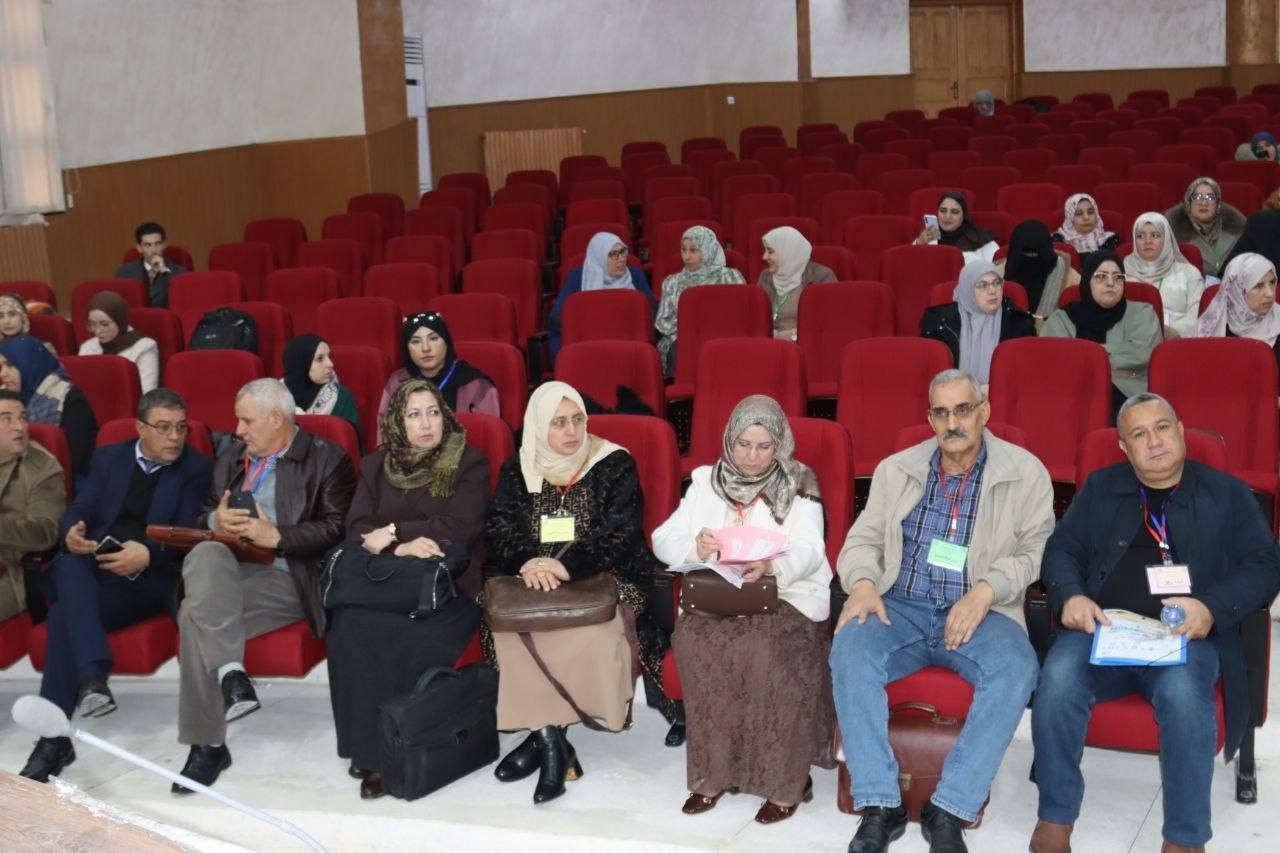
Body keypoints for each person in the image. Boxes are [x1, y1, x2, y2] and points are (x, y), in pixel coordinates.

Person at [1029, 393, 1280, 853]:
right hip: (1105, 629)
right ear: (1124, 448)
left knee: (1183, 695)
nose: (1155, 441)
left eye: (1162, 428)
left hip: (1184, 637)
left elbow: (1265, 565)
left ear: (1181, 431)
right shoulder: (1102, 488)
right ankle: (1055, 816)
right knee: (1059, 677)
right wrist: (1072, 596)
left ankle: (1184, 838)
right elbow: (1062, 549)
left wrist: (1212, 607)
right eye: (1139, 435)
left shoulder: (1227, 494)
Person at [830, 369, 1052, 853]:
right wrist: (863, 583)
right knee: (849, 648)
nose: (953, 423)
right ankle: (880, 802)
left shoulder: (1025, 472)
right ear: (929, 419)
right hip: (901, 605)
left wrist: (986, 590)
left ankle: (950, 807)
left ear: (984, 412)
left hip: (982, 610)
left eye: (963, 410)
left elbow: (1036, 551)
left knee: (1017, 667)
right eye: (942, 413)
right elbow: (862, 539)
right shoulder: (897, 469)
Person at [485, 381, 672, 803]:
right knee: (514, 628)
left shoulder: (613, 462)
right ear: (538, 426)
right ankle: (552, 741)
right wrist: (529, 562)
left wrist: (567, 566)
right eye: (558, 423)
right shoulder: (518, 468)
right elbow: (498, 528)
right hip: (532, 581)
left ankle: (543, 740)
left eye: (577, 420)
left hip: (605, 579)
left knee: (587, 632)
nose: (571, 431)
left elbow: (621, 531)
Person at [653, 395, 834, 824]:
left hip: (784, 595)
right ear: (729, 440)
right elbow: (662, 538)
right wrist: (694, 547)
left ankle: (786, 782)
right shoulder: (705, 482)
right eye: (743, 445)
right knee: (694, 641)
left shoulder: (798, 483)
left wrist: (774, 565)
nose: (752, 456)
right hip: (719, 596)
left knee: (764, 649)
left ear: (779, 445)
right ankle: (713, 775)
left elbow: (811, 548)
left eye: (764, 447)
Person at [18, 389, 211, 783]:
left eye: (181, 427)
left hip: (147, 580)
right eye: (164, 428)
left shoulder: (195, 467)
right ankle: (90, 680)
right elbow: (82, 506)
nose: (175, 437)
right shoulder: (109, 457)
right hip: (96, 569)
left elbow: (187, 531)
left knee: (63, 615)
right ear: (140, 428)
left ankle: (56, 737)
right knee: (70, 562)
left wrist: (148, 553)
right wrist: (72, 531)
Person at [172, 378, 355, 793]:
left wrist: (278, 536)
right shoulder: (231, 458)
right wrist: (217, 521)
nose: (238, 430)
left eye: (246, 421)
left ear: (276, 418)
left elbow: (339, 528)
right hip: (227, 570)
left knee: (192, 614)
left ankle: (207, 745)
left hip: (291, 575)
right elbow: (202, 515)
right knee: (205, 552)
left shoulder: (328, 458)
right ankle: (231, 673)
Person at [328, 379, 488, 799]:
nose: (426, 424)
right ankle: (364, 747)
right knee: (349, 625)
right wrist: (400, 547)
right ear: (398, 423)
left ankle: (391, 752)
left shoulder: (468, 462)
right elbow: (357, 529)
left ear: (445, 416)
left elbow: (460, 527)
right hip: (388, 581)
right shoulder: (375, 467)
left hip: (448, 587)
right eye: (414, 415)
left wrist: (397, 531)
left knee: (401, 635)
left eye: (433, 412)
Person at [1041, 251, 1162, 417]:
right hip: (1072, 398)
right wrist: (1119, 351)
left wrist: (1090, 352)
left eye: (1118, 277)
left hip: (1131, 399)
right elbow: (1055, 361)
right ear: (1087, 281)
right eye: (1101, 276)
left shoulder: (1143, 313)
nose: (1111, 283)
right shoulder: (1061, 319)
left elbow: (1144, 353)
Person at [376, 312, 499, 446]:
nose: (426, 348)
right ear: (407, 348)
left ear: (446, 342)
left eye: (433, 338)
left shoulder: (475, 385)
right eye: (416, 341)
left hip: (462, 457)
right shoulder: (397, 382)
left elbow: (488, 440)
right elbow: (385, 439)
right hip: (407, 458)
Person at [921, 260, 1035, 393]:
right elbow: (929, 374)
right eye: (982, 285)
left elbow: (1027, 374)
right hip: (951, 398)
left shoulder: (1019, 322)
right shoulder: (940, 323)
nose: (992, 290)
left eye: (996, 283)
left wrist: (993, 390)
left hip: (1003, 396)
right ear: (967, 290)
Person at [0, 389, 64, 623]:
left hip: (10, 571)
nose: (19, 427)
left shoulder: (43, 467)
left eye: (23, 418)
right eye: (6, 419)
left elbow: (45, 532)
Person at [0, 334, 98, 479]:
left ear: (29, 362)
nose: (3, 374)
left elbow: (75, 460)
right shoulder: (7, 398)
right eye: (1, 367)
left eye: (10, 365)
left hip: (58, 480)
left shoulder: (69, 398)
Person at [549, 231, 654, 362]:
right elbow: (557, 318)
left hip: (627, 346)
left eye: (623, 252)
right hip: (588, 346)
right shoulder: (578, 278)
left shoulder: (635, 276)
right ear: (599, 257)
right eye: (613, 254)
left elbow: (650, 315)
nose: (621, 258)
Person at [654, 225, 745, 376]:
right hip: (683, 339)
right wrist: (691, 333)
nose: (687, 256)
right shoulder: (672, 282)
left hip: (724, 337)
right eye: (683, 250)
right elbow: (663, 321)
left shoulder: (730, 277)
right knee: (680, 350)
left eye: (694, 250)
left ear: (708, 250)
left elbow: (741, 314)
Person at [1123, 212, 1205, 338]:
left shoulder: (1189, 273)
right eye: (1140, 236)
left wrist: (1176, 332)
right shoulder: (1121, 273)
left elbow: (1198, 314)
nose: (1147, 241)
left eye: (1155, 235)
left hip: (1177, 340)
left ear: (1166, 239)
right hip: (1132, 339)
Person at [1196, 252, 1280, 370]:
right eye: (1258, 286)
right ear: (1237, 291)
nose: (1270, 294)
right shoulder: (1213, 327)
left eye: (1272, 283)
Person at [281, 334, 362, 449]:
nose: (330, 364)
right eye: (320, 359)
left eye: (329, 356)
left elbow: (350, 448)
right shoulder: (275, 398)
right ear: (300, 363)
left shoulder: (342, 398)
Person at [757, 225, 836, 341]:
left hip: (808, 342)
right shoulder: (765, 277)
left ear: (788, 252)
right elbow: (757, 319)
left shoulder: (822, 276)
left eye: (770, 251)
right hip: (770, 344)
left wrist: (793, 335)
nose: (764, 257)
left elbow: (829, 322)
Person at [994, 220, 1081, 318]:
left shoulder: (1069, 277)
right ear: (1015, 252)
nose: (1031, 256)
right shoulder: (996, 275)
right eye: (1026, 252)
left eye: (1036, 253)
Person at [76, 291, 160, 392]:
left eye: (104, 324)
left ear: (120, 320)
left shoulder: (144, 347)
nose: (97, 331)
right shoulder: (87, 347)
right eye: (93, 324)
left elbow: (147, 392)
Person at [1165, 177, 1245, 280]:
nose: (1203, 203)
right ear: (1189, 202)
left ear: (1217, 204)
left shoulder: (1237, 233)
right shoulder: (1174, 232)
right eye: (1197, 197)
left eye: (1210, 197)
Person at [114, 222, 186, 308]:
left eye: (157, 244)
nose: (154, 250)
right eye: (148, 245)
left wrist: (164, 271)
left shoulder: (180, 273)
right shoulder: (124, 273)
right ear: (139, 248)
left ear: (164, 245)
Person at [914, 192, 999, 264]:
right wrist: (919, 243)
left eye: (954, 212)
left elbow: (996, 270)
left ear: (964, 215)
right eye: (943, 211)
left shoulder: (982, 239)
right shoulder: (928, 238)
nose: (947, 216)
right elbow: (914, 266)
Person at [1052, 193, 1120, 264]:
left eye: (1090, 212)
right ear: (1070, 218)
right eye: (1079, 213)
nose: (1086, 217)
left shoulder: (1109, 239)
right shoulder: (1059, 240)